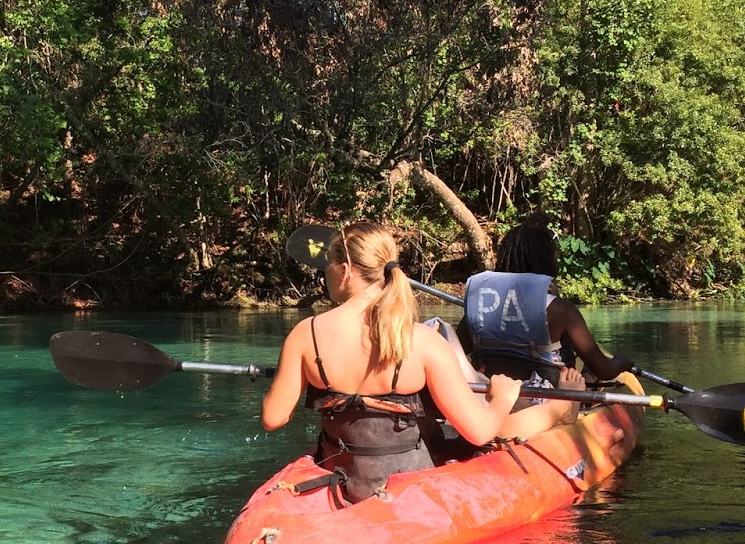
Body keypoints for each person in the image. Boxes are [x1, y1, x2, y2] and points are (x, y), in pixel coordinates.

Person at [260, 221, 582, 504]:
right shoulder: (423, 342)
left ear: (344, 271)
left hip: (343, 476)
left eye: (328, 264)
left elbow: (273, 418)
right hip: (409, 483)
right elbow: (480, 432)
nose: (325, 272)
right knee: (489, 429)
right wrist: (502, 399)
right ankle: (563, 409)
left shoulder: (306, 335)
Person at [462, 214, 633, 385]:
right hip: (546, 397)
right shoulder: (562, 310)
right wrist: (620, 362)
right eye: (555, 255)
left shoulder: (479, 306)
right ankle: (586, 395)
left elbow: (458, 350)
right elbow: (604, 371)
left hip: (493, 390)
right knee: (590, 369)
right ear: (545, 260)